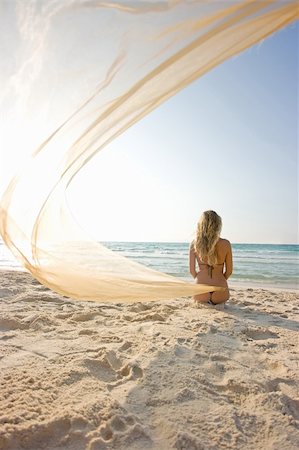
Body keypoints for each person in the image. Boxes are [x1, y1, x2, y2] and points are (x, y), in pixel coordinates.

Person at [189, 210, 233, 305]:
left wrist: (200, 279)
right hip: (220, 290)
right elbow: (229, 272)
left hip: (200, 290)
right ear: (218, 225)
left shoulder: (195, 244)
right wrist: (220, 279)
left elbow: (192, 271)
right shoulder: (226, 244)